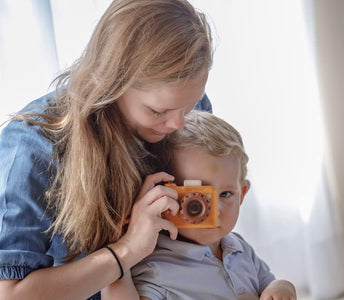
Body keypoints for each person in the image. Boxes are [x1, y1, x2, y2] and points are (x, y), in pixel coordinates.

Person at [0, 1, 212, 299]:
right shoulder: (33, 145)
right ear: (112, 83)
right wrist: (126, 250)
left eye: (189, 107)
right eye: (156, 111)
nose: (178, 124)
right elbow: (11, 294)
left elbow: (211, 230)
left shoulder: (187, 111)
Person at [101, 111, 297, 300]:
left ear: (242, 194)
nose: (216, 209)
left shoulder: (239, 248)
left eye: (226, 194)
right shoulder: (157, 266)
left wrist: (281, 286)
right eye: (198, 199)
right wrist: (120, 264)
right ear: (163, 196)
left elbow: (267, 283)